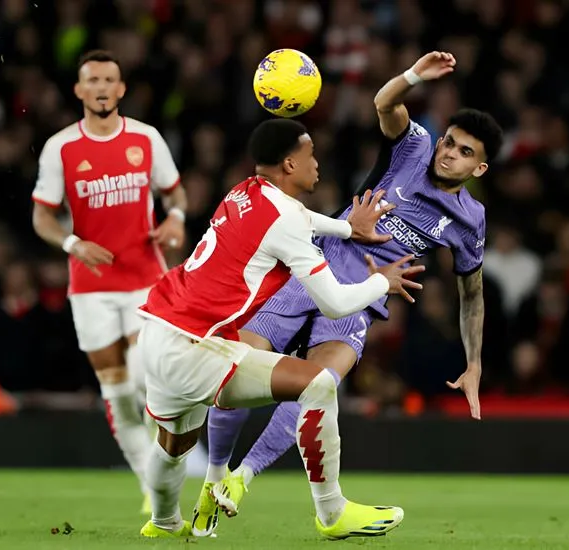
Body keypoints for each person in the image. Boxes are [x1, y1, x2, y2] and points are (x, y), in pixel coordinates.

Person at [196, 51, 504, 534]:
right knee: (235, 372)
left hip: (359, 301)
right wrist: (413, 77)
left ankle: (238, 479)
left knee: (318, 384)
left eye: (466, 152)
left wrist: (474, 363)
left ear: (480, 169)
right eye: (451, 142)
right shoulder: (415, 147)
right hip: (313, 270)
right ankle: (211, 480)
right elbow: (385, 105)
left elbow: (472, 293)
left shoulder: (471, 221)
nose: (450, 153)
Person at [136, 118, 424, 539]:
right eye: (310, 154)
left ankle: (162, 524)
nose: (317, 163)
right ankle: (333, 512)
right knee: (319, 384)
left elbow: (299, 216)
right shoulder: (285, 222)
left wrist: (347, 228)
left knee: (174, 443)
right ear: (290, 163)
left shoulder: (244, 191)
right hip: (195, 348)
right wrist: (384, 281)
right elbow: (335, 302)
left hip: (159, 331)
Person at [31, 50, 188, 513]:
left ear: (121, 89)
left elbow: (174, 190)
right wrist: (71, 244)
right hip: (91, 287)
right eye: (92, 80)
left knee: (147, 378)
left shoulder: (147, 138)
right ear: (79, 91)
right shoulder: (60, 147)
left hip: (144, 279)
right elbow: (42, 215)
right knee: (117, 395)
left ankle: (174, 461)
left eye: (109, 79)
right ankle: (151, 486)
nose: (101, 87)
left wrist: (176, 216)